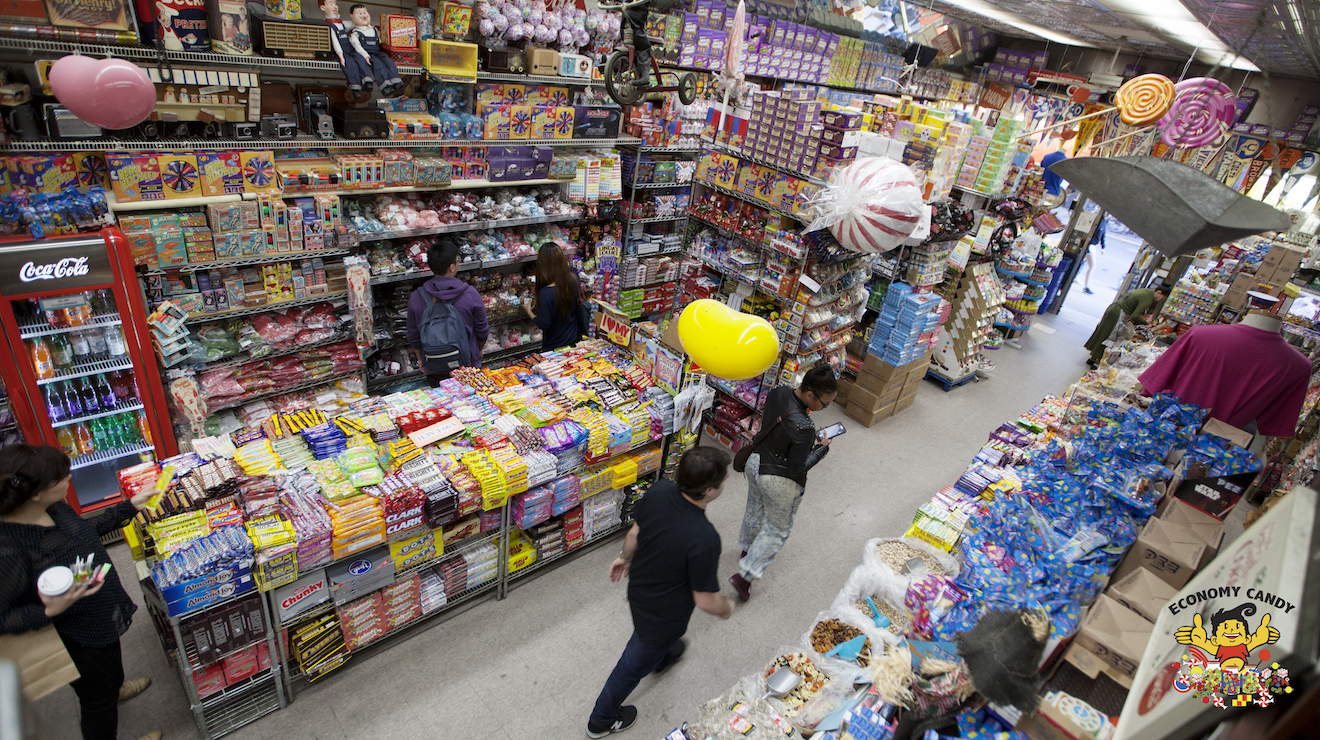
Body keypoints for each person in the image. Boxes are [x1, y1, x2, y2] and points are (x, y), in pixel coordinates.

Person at [0, 445, 160, 740]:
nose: (70, 479)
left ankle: (114, 689)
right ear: (35, 493)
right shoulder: (9, 548)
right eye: (62, 477)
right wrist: (51, 610)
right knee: (96, 702)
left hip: (99, 614)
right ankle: (106, 698)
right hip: (75, 637)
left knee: (109, 673)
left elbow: (84, 531)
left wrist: (132, 505)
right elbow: (3, 617)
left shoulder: (54, 507)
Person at [588, 447, 736, 737]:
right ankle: (601, 719)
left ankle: (664, 655)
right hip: (663, 615)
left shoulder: (660, 490)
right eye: (724, 480)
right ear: (709, 491)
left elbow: (634, 534)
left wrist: (624, 558)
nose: (725, 483)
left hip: (639, 589)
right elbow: (705, 599)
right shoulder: (704, 538)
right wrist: (726, 608)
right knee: (631, 665)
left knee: (658, 644)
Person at [729, 364, 837, 602]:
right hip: (776, 478)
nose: (824, 408)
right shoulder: (805, 427)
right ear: (810, 396)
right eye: (824, 403)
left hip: (755, 462)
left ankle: (747, 548)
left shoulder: (778, 392)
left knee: (754, 508)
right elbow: (797, 467)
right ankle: (745, 575)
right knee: (777, 528)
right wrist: (820, 450)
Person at [406, 239, 489, 386]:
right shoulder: (470, 294)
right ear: (452, 267)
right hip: (466, 364)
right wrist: (478, 350)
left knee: (442, 407)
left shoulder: (417, 296)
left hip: (434, 365)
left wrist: (420, 358)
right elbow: (482, 329)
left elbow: (413, 334)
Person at [1084, 285, 1168, 369]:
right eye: (1162, 298)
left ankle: (1092, 358)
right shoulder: (1148, 299)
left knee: (1102, 333)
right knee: (1110, 338)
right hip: (1119, 314)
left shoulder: (1145, 291)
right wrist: (1145, 322)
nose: (1160, 300)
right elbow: (1135, 316)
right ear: (1159, 292)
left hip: (1113, 309)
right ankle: (1097, 362)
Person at [523, 244, 585, 351]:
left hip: (554, 347)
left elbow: (545, 324)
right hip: (573, 339)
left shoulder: (545, 293)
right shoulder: (574, 278)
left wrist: (529, 312)